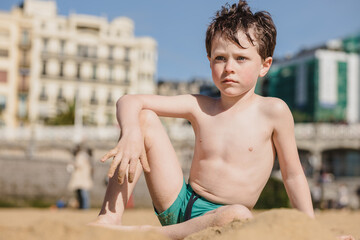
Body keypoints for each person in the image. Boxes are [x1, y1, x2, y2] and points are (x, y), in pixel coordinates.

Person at [91, 1, 354, 240]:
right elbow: (129, 100)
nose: (229, 67)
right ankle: (109, 217)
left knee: (238, 214)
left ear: (265, 65)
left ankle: (151, 234)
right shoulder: (200, 106)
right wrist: (131, 134)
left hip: (225, 218)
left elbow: (293, 175)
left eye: (241, 58)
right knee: (144, 117)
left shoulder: (274, 111)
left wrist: (311, 230)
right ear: (209, 62)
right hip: (179, 202)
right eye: (220, 58)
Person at [68, 143, 94, 209]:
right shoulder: (84, 156)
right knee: (81, 194)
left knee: (84, 194)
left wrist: (72, 164)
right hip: (82, 178)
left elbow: (79, 165)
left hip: (82, 179)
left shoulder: (81, 156)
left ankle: (85, 207)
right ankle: (82, 207)